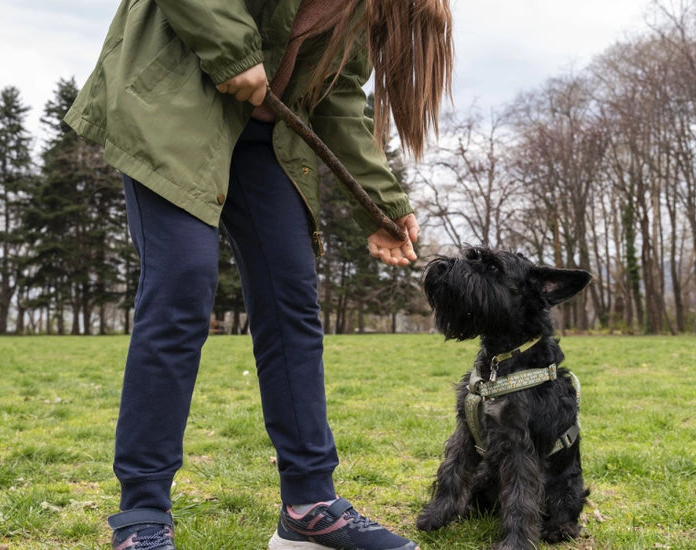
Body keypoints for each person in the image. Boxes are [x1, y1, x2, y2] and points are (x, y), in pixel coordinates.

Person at [64, 0, 453, 549]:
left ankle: (309, 505)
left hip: (265, 136)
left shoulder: (356, 12)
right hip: (177, 102)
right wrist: (233, 52)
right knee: (182, 286)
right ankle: (142, 515)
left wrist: (382, 205)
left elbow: (339, 97)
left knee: (292, 299)